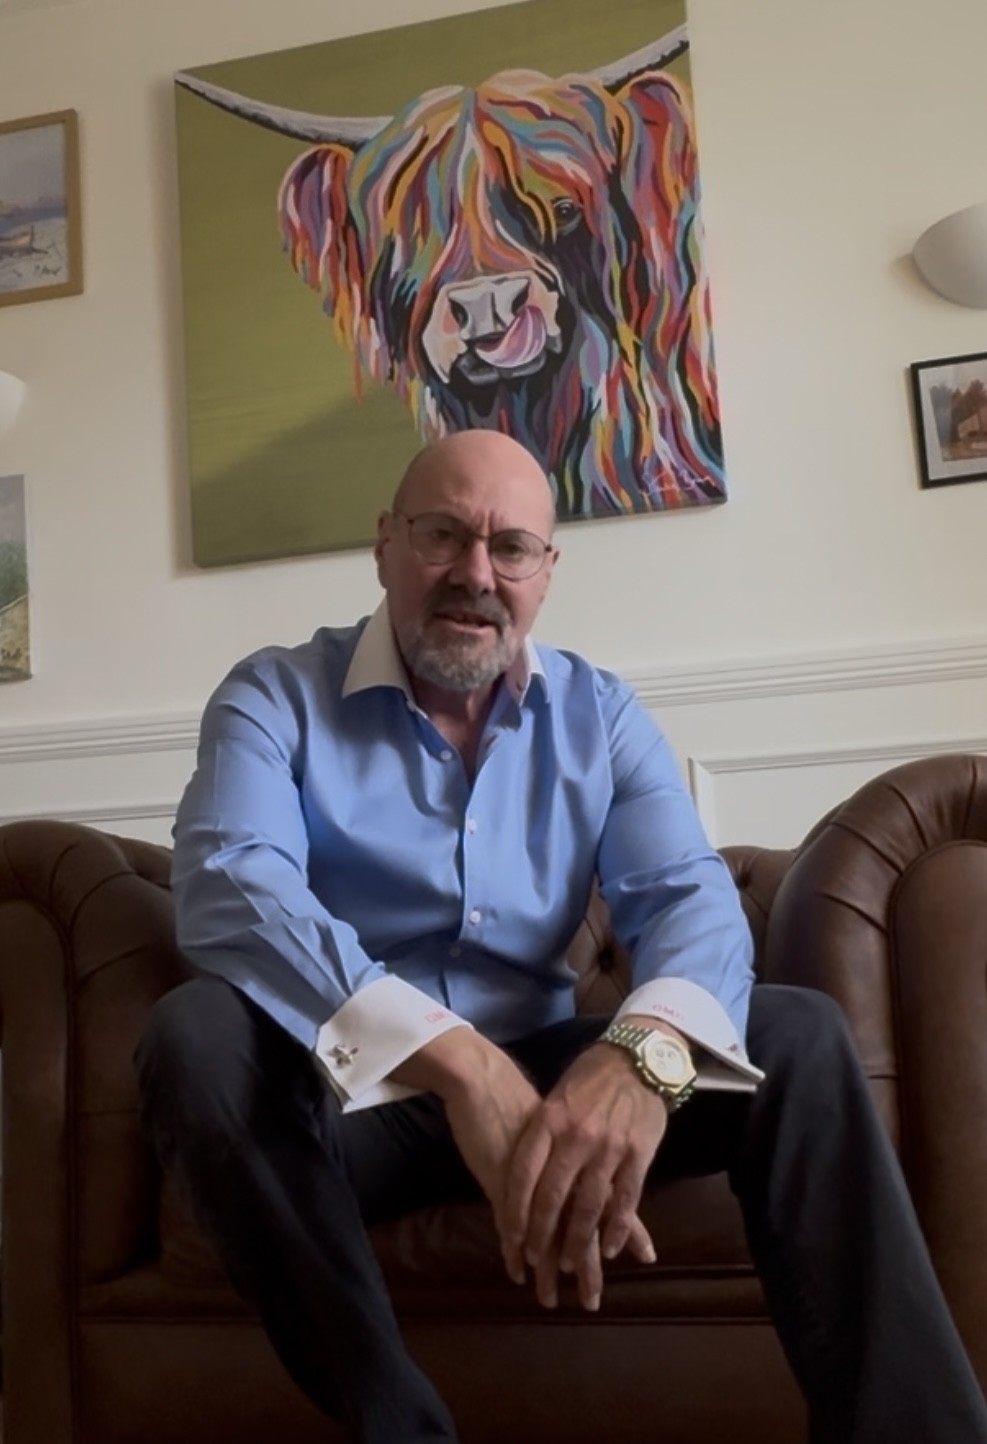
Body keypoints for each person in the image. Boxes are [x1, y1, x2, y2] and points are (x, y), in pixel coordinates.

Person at [136, 429, 987, 1444]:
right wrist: (460, 1066)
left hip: (550, 1072)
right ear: (385, 544)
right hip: (351, 1098)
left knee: (798, 1037)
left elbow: (690, 902)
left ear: (546, 570)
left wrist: (640, 1058)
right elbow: (233, 883)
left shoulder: (601, 714)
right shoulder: (273, 695)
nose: (475, 573)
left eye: (510, 547)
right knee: (195, 1034)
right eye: (443, 535)